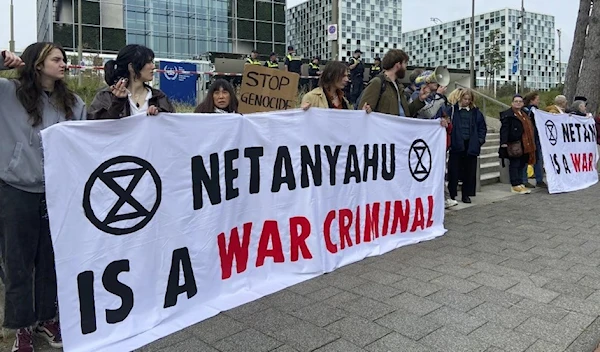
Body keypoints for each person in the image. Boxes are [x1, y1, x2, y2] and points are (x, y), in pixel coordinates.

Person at [0, 43, 87, 352]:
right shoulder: (7, 92)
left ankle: (47, 318)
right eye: (57, 59)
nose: (64, 64)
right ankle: (22, 327)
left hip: (57, 194)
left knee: (51, 261)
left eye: (64, 59)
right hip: (17, 189)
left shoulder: (74, 103)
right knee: (18, 263)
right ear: (37, 63)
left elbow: (86, 142)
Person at [88, 44, 175, 120]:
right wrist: (117, 103)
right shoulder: (106, 96)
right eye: (148, 62)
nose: (153, 66)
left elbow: (173, 126)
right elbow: (96, 128)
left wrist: (160, 114)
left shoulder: (159, 97)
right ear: (131, 67)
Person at [358, 49, 427, 116]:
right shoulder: (377, 82)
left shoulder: (398, 86)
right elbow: (362, 112)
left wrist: (420, 99)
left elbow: (405, 113)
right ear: (398, 65)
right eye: (405, 63)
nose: (406, 67)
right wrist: (366, 110)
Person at [446, 88, 487, 203]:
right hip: (456, 144)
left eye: (469, 99)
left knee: (469, 172)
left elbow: (482, 128)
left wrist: (479, 141)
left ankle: (466, 194)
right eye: (465, 99)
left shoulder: (476, 112)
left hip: (471, 144)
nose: (467, 101)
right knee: (453, 171)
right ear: (460, 98)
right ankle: (452, 194)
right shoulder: (452, 110)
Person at [499, 95, 536, 194]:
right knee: (514, 164)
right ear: (512, 103)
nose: (518, 103)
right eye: (516, 101)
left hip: (525, 143)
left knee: (521, 164)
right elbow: (504, 130)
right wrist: (503, 143)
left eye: (520, 101)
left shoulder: (524, 115)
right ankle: (515, 184)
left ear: (523, 103)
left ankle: (520, 182)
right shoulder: (508, 115)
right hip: (514, 143)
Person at [301, 61, 371, 112]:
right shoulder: (311, 97)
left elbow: (349, 121)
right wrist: (303, 112)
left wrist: (362, 114)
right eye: (343, 76)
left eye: (347, 76)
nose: (347, 79)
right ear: (331, 76)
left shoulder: (344, 100)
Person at [522, 92, 546, 188]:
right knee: (531, 159)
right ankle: (532, 179)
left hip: (535, 137)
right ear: (532, 100)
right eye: (537, 99)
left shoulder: (531, 110)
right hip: (531, 137)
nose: (538, 101)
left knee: (537, 159)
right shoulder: (529, 110)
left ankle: (535, 179)